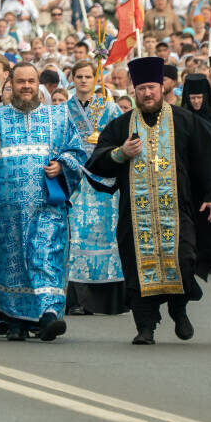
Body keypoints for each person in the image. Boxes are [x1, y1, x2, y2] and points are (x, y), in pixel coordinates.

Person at [85, 58, 211, 345]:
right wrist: (121, 153)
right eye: (141, 89)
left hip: (178, 211)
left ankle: (178, 309)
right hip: (134, 216)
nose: (147, 94)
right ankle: (145, 327)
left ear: (162, 88)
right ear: (134, 91)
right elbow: (96, 161)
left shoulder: (185, 121)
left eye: (151, 88)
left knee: (182, 261)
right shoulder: (122, 125)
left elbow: (209, 160)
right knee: (138, 270)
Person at [0, 61, 87, 342]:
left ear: (38, 85)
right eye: (20, 82)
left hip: (47, 209)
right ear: (11, 85)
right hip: (3, 214)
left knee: (45, 258)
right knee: (10, 266)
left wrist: (62, 164)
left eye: (31, 81)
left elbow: (77, 153)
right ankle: (15, 322)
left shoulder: (58, 119)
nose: (26, 86)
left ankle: (48, 316)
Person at [64, 59, 125, 315]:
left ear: (95, 78)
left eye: (88, 76)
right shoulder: (63, 110)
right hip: (76, 181)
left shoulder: (110, 108)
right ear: (72, 79)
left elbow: (122, 140)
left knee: (106, 235)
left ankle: (106, 301)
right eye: (79, 76)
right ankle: (76, 300)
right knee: (76, 237)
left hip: (104, 183)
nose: (83, 80)